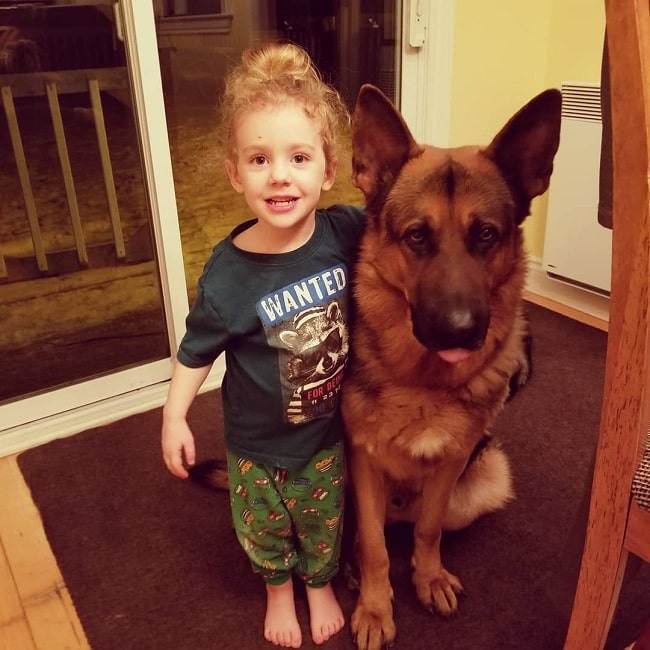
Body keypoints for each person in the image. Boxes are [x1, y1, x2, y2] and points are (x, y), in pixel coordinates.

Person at [161, 42, 365, 648]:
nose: (280, 174)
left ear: (328, 171)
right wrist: (174, 415)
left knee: (323, 519)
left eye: (299, 157)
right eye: (259, 158)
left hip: (327, 433)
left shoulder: (345, 232)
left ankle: (319, 582)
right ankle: (279, 590)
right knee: (266, 526)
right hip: (254, 443)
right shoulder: (227, 275)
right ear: (235, 173)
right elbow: (196, 350)